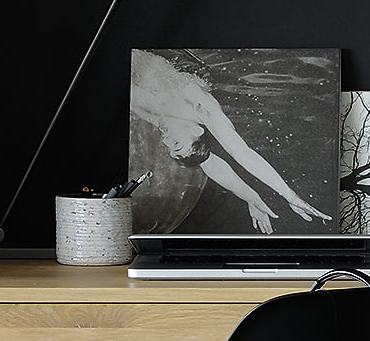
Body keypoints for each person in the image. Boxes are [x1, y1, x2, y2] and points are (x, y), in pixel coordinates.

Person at [131, 50, 331, 234]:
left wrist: (251, 197)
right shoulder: (198, 106)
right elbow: (242, 154)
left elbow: (207, 162)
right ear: (196, 130)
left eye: (169, 147)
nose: (165, 140)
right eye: (176, 144)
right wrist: (290, 196)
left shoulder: (157, 118)